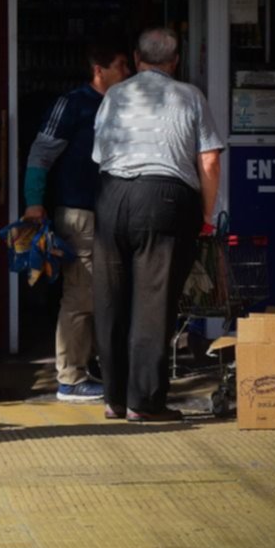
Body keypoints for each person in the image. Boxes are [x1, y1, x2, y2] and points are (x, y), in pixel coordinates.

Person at [91, 27, 223, 423]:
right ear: (175, 60)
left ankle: (113, 399)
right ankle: (144, 402)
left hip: (113, 196)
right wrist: (206, 215)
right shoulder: (190, 96)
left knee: (111, 299)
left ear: (136, 59)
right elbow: (210, 162)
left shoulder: (115, 94)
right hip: (165, 198)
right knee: (153, 303)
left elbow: (99, 154)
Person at [21, 39, 132, 403]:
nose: (128, 73)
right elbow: (41, 152)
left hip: (113, 212)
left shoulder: (125, 105)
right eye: (121, 66)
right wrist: (34, 202)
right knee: (81, 295)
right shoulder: (72, 105)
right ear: (99, 70)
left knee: (108, 291)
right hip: (79, 213)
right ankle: (70, 377)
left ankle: (97, 365)